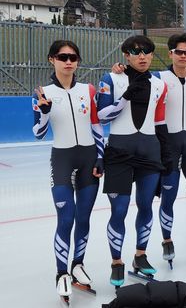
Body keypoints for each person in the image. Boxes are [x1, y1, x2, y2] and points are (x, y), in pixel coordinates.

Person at [111, 33, 186, 265]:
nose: (183, 56)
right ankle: (167, 240)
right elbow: (137, 75)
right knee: (168, 198)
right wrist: (120, 69)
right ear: (170, 54)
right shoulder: (159, 78)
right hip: (166, 145)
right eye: (178, 52)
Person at [32, 40, 104, 301]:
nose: (68, 61)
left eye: (73, 56)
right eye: (62, 57)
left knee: (83, 218)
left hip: (88, 159)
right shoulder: (43, 92)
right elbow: (38, 133)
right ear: (52, 59)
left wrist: (101, 157)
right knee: (66, 218)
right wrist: (43, 113)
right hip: (62, 159)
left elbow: (96, 125)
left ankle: (78, 265)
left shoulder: (89, 89)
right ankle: (61, 273)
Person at [97, 35, 171, 286]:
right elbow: (102, 115)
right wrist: (127, 95)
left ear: (151, 54)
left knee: (146, 206)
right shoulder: (112, 79)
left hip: (149, 152)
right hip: (119, 152)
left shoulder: (160, 83)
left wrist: (166, 153)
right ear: (125, 55)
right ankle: (116, 262)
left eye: (147, 51)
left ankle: (141, 256)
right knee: (119, 210)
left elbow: (160, 120)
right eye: (135, 52)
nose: (142, 56)